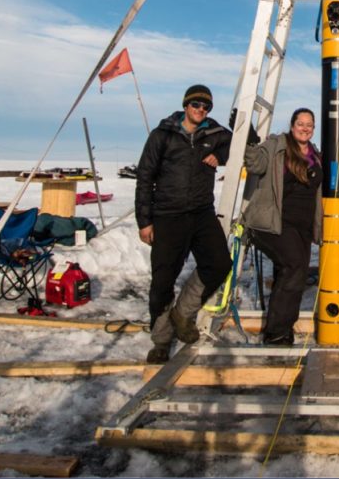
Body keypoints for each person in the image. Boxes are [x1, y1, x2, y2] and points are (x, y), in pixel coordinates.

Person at [135, 85, 234, 364]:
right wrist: (144, 221)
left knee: (219, 265)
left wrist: (222, 156)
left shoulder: (213, 133)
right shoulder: (162, 135)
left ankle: (181, 315)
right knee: (163, 280)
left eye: (206, 107)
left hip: (201, 213)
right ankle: (162, 339)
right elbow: (145, 177)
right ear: (186, 105)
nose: (201, 110)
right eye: (196, 105)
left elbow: (236, 142)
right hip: (168, 215)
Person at [241, 108, 323, 346]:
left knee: (289, 272)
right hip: (274, 222)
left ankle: (280, 325)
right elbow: (255, 165)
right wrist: (248, 140)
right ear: (292, 124)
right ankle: (277, 331)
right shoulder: (277, 146)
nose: (305, 128)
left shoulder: (315, 154)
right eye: (301, 124)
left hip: (302, 227)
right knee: (294, 266)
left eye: (309, 125)